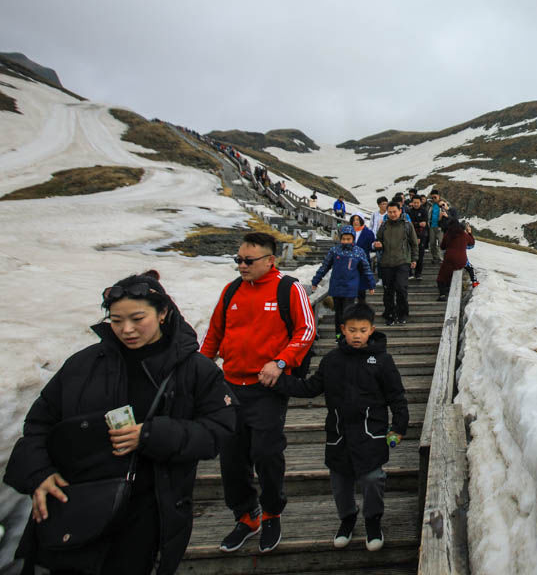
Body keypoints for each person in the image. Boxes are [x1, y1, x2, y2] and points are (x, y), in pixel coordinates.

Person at [3, 271, 235, 575]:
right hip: (75, 508)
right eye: (116, 320)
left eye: (138, 318)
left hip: (145, 514)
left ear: (163, 312)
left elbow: (219, 430)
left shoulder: (196, 371)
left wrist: (152, 435)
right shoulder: (82, 365)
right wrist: (39, 473)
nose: (127, 330)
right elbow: (38, 425)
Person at [199, 232, 317, 554]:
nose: (241, 265)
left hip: (266, 388)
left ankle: (271, 511)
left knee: (266, 454)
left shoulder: (288, 288)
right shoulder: (231, 290)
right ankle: (245, 515)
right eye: (238, 259)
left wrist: (280, 362)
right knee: (232, 459)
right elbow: (214, 334)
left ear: (270, 260)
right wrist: (200, 371)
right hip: (229, 387)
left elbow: (306, 329)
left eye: (248, 261)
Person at [275, 303, 408, 552]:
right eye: (352, 329)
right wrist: (279, 381)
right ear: (343, 329)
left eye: (363, 330)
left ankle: (372, 520)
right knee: (339, 482)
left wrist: (398, 427)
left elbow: (397, 396)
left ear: (371, 330)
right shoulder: (332, 360)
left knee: (372, 478)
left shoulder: (382, 361)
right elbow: (311, 387)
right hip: (338, 433)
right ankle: (347, 518)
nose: (357, 335)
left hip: (371, 433)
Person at [312, 225, 376, 335]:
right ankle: (338, 335)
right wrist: (315, 281)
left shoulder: (358, 252)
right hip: (336, 287)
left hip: (350, 288)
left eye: (348, 239)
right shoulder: (335, 251)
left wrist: (371, 285)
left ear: (353, 239)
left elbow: (366, 269)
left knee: (347, 312)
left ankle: (347, 335)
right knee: (338, 313)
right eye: (343, 239)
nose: (346, 241)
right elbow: (325, 266)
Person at [372, 201, 418, 325]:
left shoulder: (407, 225)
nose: (392, 214)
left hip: (402, 261)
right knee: (388, 291)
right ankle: (390, 314)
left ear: (400, 211)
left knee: (401, 288)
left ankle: (402, 313)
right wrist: (377, 245)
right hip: (386, 262)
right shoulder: (384, 225)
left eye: (394, 212)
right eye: (390, 212)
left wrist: (414, 259)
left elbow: (414, 243)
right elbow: (378, 240)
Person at [437, 217, 475, 301]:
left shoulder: (448, 234)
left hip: (449, 259)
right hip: (462, 261)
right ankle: (474, 283)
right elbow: (472, 243)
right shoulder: (464, 235)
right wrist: (469, 233)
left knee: (442, 276)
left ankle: (442, 294)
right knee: (456, 270)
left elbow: (442, 247)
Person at [405, 195, 430, 281]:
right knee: (409, 253)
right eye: (414, 202)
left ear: (420, 202)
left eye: (417, 202)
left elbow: (424, 224)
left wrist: (418, 236)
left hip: (422, 236)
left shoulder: (424, 211)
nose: (416, 204)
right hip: (410, 236)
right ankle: (409, 272)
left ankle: (418, 273)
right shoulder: (409, 211)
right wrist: (417, 224)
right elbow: (409, 224)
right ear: (412, 203)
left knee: (420, 255)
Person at [428, 190, 443, 264]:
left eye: (435, 197)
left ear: (438, 196)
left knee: (441, 243)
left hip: (440, 227)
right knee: (432, 243)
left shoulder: (443, 204)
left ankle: (442, 258)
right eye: (432, 197)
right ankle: (435, 257)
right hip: (432, 226)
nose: (433, 199)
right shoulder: (430, 205)